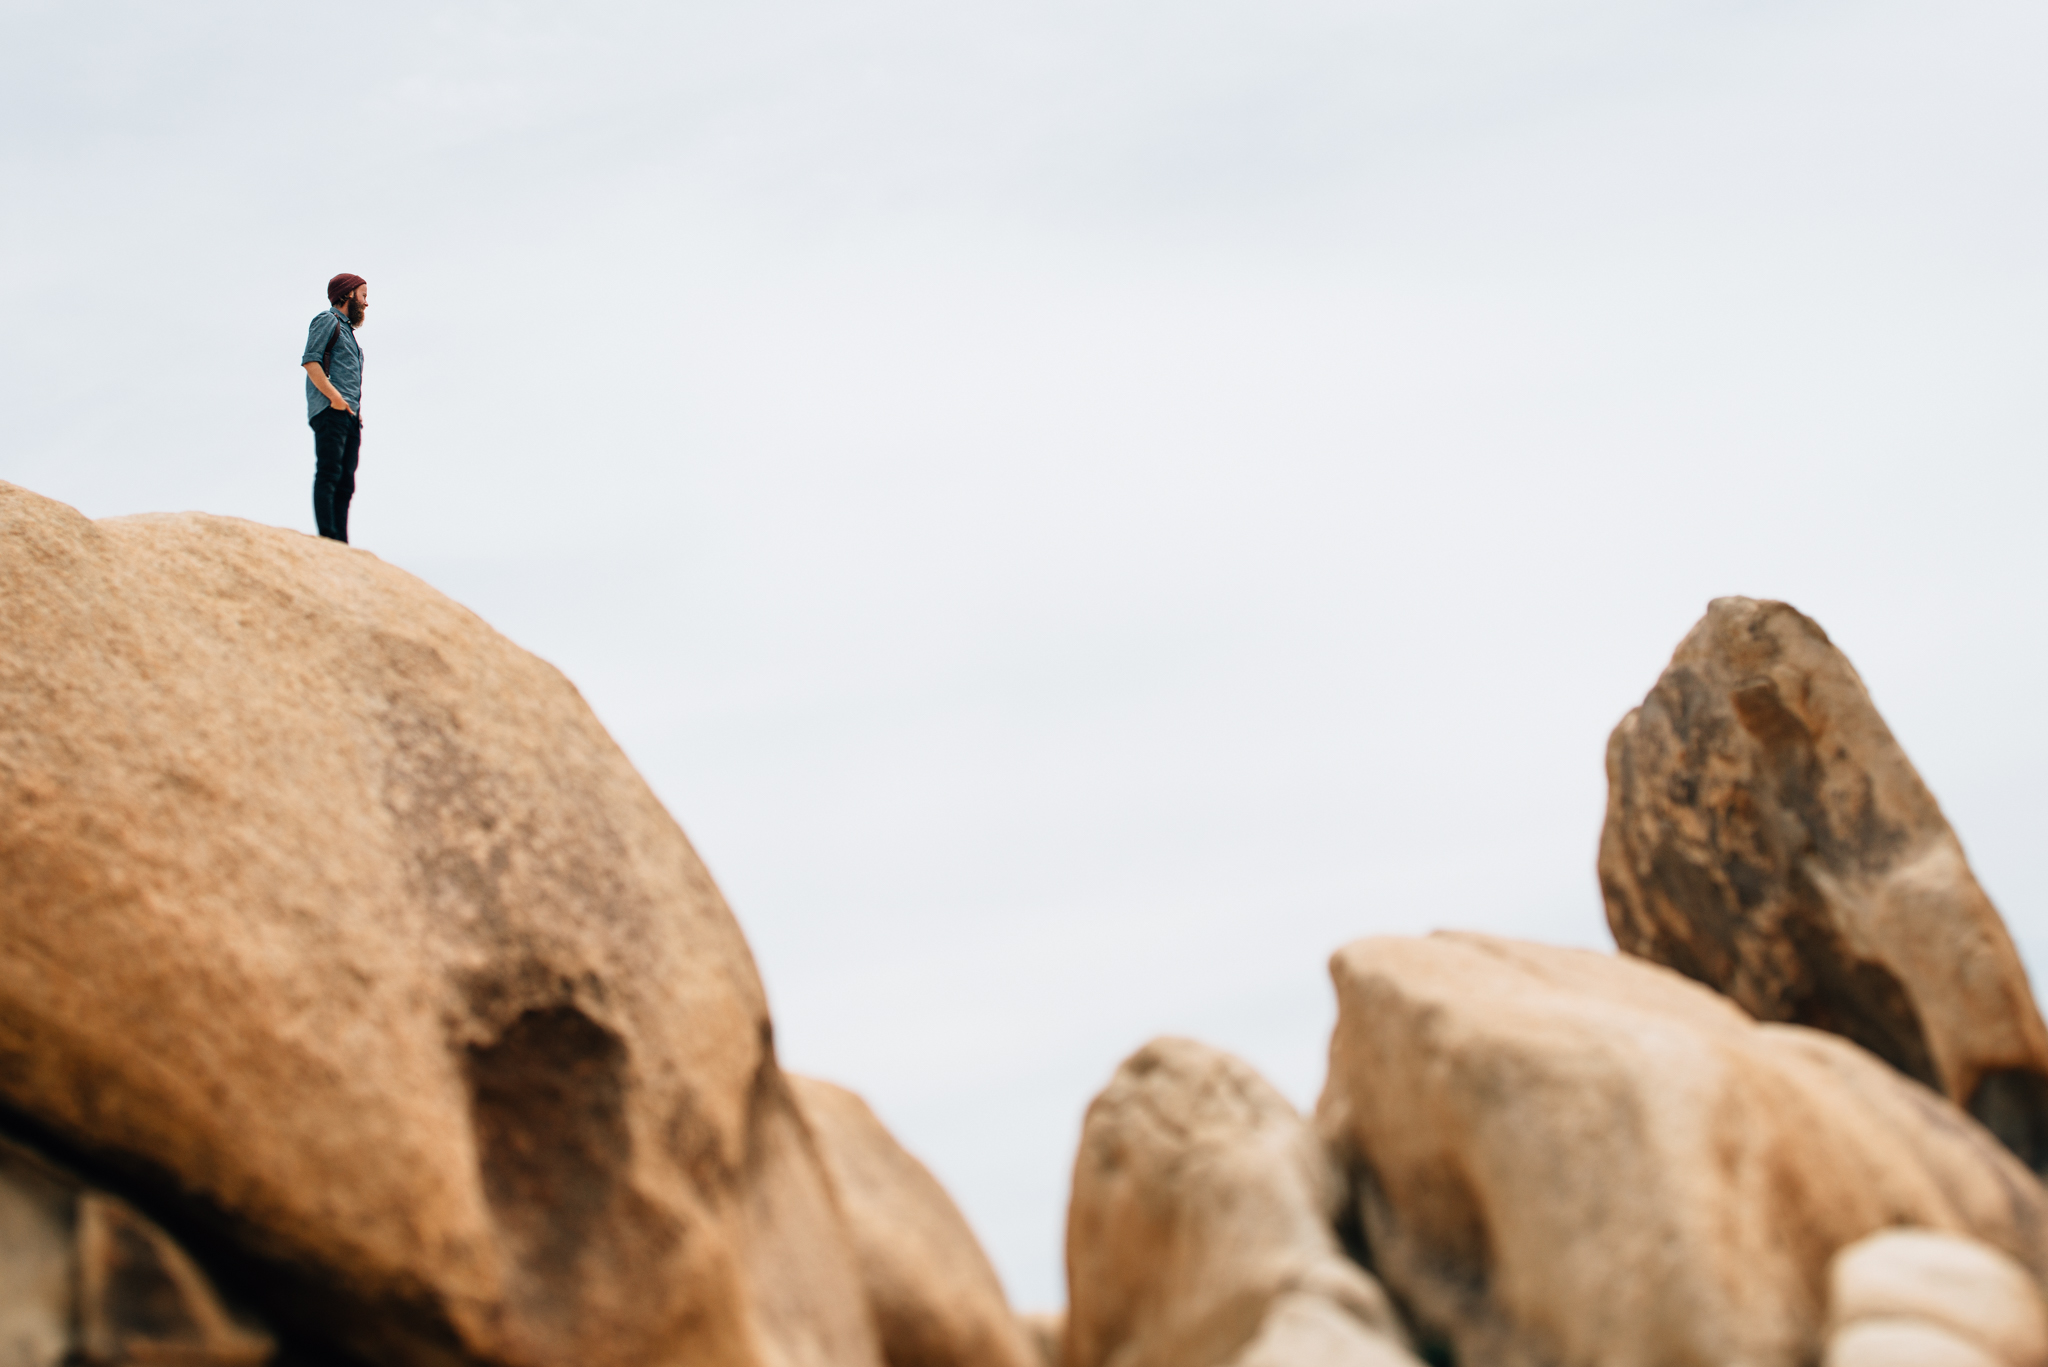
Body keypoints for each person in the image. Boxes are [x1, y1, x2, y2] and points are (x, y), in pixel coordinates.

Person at [301, 274, 368, 542]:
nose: (366, 302)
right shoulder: (327, 320)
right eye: (363, 295)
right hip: (331, 410)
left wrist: (354, 410)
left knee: (346, 483)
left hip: (350, 416)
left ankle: (340, 542)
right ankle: (328, 537)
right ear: (349, 294)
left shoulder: (352, 338)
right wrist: (335, 399)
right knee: (329, 473)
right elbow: (311, 362)